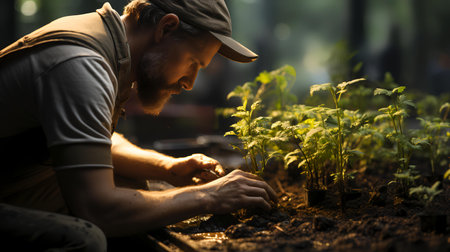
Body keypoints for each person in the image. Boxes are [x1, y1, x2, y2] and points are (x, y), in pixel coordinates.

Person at [0, 0, 277, 250]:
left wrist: (167, 168)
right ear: (166, 28)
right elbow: (98, 210)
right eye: (193, 63)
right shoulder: (84, 66)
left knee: (134, 184)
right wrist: (210, 196)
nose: (189, 83)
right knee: (85, 240)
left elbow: (92, 142)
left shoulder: (104, 46)